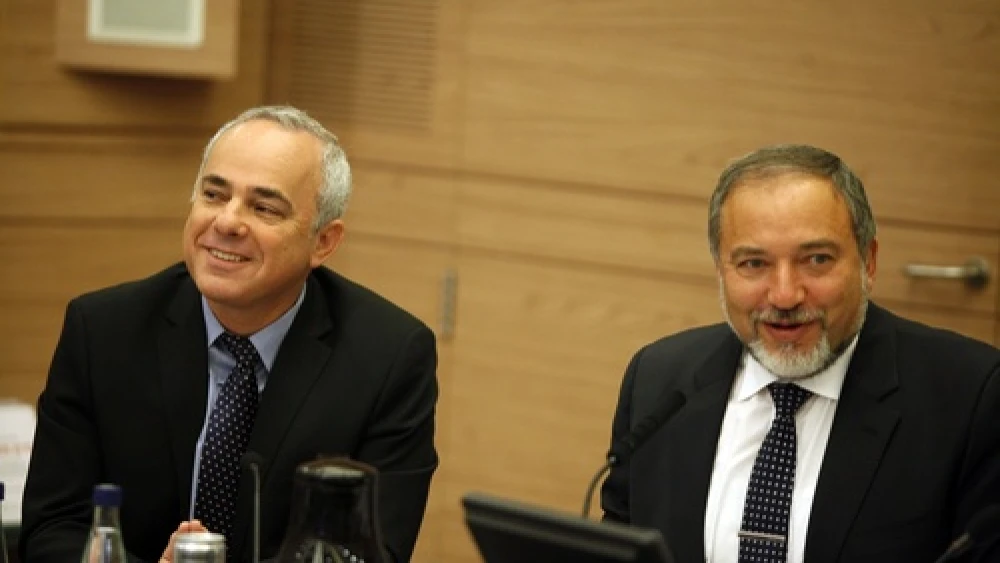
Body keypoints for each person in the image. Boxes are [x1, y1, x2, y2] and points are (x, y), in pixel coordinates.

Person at [19, 106, 439, 563]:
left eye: (263, 208)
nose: (227, 222)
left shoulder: (388, 358)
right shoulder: (103, 333)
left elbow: (373, 552)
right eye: (214, 195)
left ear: (323, 242)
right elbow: (52, 529)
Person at [601, 144, 1000, 563]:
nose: (785, 295)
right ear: (720, 270)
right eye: (754, 264)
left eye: (816, 259)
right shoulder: (658, 379)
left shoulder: (970, 399)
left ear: (869, 262)